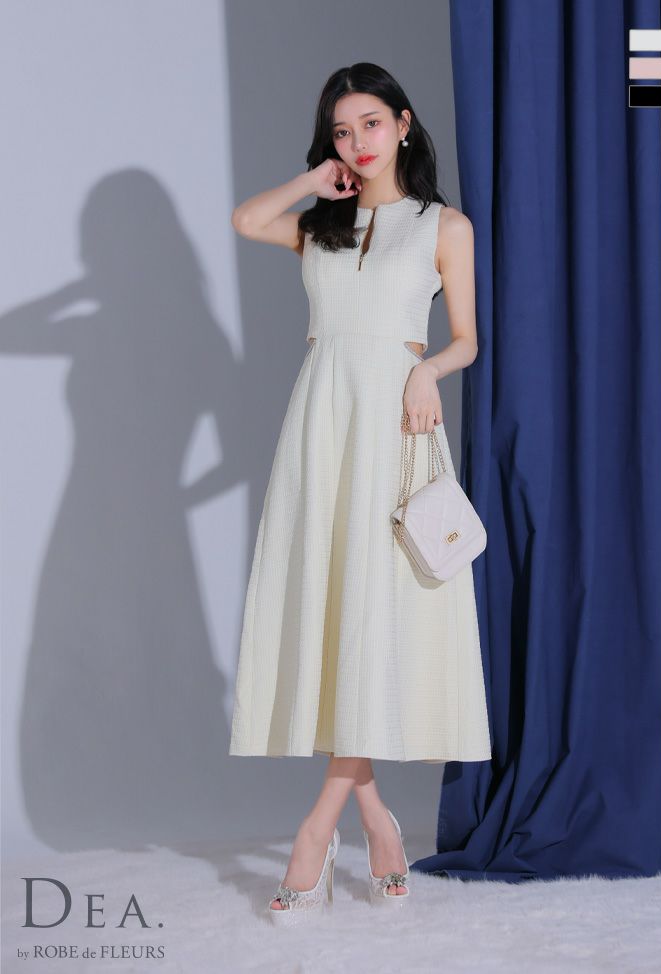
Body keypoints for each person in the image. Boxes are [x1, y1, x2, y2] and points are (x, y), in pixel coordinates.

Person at [228, 62, 491, 924]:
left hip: (396, 426)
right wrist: (314, 181)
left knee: (375, 617)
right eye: (342, 131)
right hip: (321, 428)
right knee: (341, 618)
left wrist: (428, 372)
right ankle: (377, 820)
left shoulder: (444, 226)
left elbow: (466, 340)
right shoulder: (322, 228)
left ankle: (317, 832)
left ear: (404, 124)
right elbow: (246, 219)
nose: (358, 142)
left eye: (371, 124)